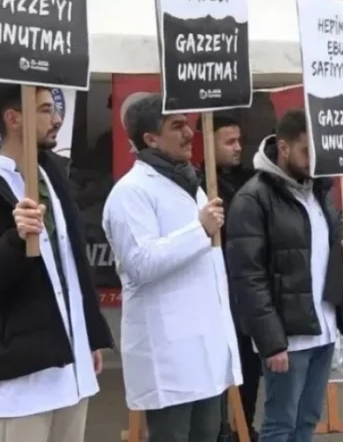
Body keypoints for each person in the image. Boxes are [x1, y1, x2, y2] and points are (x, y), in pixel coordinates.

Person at [0, 83, 113, 442]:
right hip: (23, 376)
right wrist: (15, 238)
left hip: (72, 366)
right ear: (14, 118)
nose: (55, 119)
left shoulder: (54, 176)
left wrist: (89, 334)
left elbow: (72, 266)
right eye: (44, 110)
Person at [102, 94, 241, 442]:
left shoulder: (191, 187)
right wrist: (200, 230)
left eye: (188, 124)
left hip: (206, 352)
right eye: (176, 126)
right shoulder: (130, 193)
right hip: (170, 357)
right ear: (150, 139)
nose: (189, 133)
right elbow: (140, 264)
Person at [226, 109, 343, 442]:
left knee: (307, 421)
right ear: (283, 148)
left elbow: (325, 244)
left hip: (324, 327)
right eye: (306, 151)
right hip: (288, 337)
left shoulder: (320, 191)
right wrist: (271, 342)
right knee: (280, 424)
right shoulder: (253, 198)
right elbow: (247, 277)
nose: (314, 160)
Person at [198, 113, 261, 442]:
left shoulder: (252, 181)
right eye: (229, 142)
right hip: (215, 290)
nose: (238, 148)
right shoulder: (195, 183)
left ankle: (243, 424)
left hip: (246, 289)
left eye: (239, 141)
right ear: (209, 143)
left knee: (250, 365)